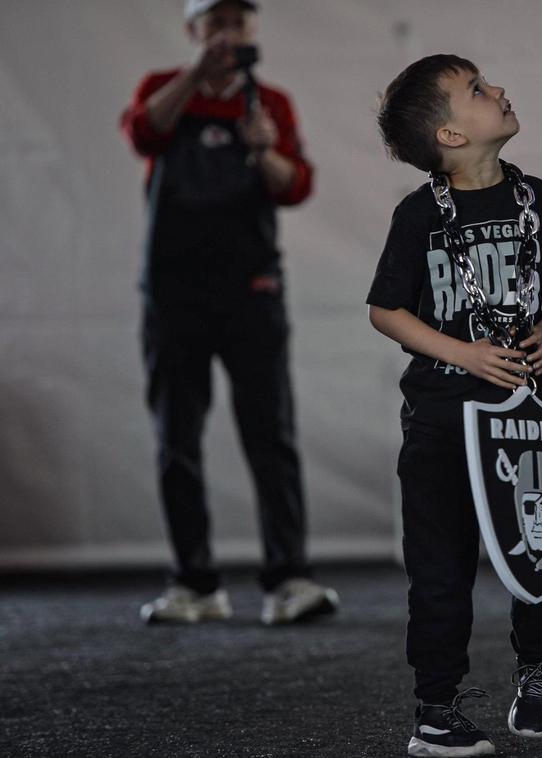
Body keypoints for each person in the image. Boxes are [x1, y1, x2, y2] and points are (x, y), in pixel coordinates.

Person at [369, 55, 542, 757]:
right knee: (439, 569)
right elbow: (385, 312)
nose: (498, 90)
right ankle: (436, 708)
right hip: (439, 423)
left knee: (540, 550)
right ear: (452, 137)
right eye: (477, 91)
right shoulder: (416, 216)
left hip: (525, 414)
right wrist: (461, 354)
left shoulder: (534, 199)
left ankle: (540, 668)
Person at [119, 0, 337, 626]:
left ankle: (289, 580)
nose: (228, 33)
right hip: (172, 294)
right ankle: (195, 584)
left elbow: (293, 186)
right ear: (193, 31)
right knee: (176, 441)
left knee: (271, 437)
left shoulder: (272, 105)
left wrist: (265, 149)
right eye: (215, 22)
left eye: (238, 21)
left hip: (252, 290)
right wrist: (197, 75)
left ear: (253, 30)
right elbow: (143, 132)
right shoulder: (164, 89)